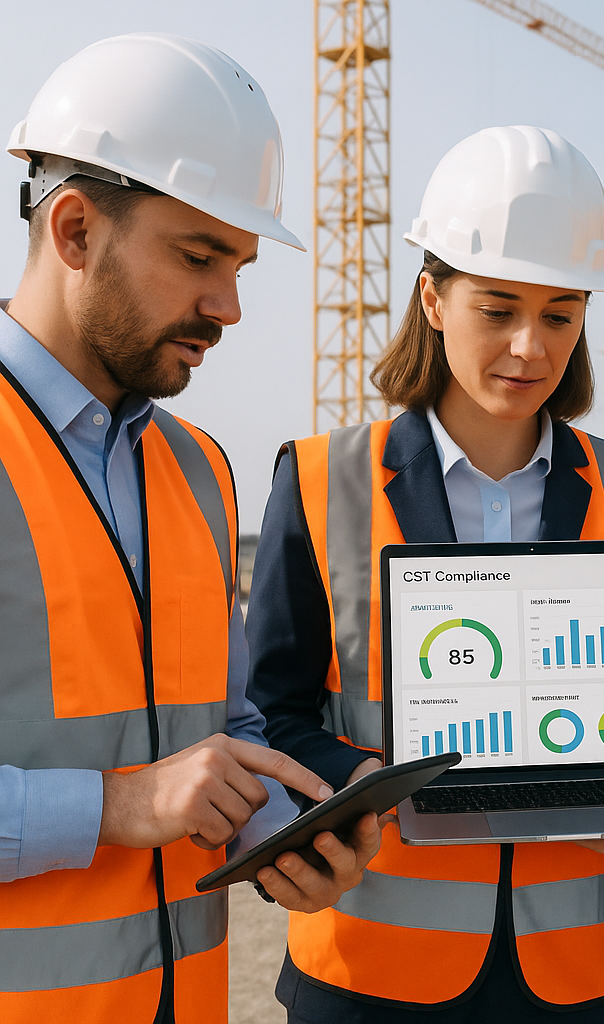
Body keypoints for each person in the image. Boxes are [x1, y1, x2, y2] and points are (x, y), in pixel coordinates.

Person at [246, 124, 604, 1022]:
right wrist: (368, 779)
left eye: (560, 315)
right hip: (372, 971)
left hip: (582, 973)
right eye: (497, 310)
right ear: (432, 298)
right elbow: (272, 715)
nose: (530, 347)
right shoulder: (320, 479)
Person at [0, 34, 382, 1024]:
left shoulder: (198, 469)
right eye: (198, 256)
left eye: (241, 264)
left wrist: (282, 832)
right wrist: (118, 807)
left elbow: (228, 729)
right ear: (75, 229)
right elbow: (151, 791)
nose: (230, 307)